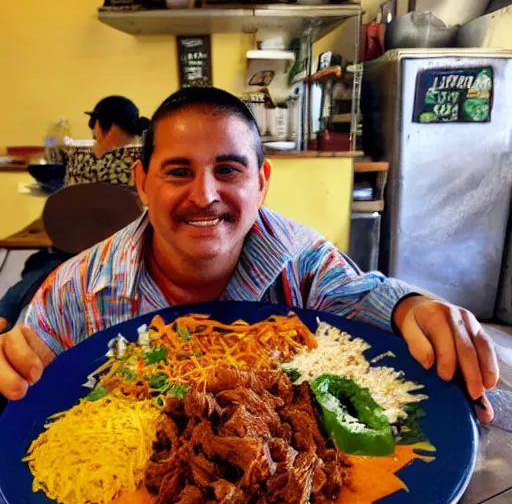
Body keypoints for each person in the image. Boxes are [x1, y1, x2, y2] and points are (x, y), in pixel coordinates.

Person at [0, 88, 498, 425]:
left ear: (261, 183)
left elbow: (368, 298)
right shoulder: (75, 291)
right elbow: (23, 385)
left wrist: (416, 308)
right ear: (142, 184)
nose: (205, 195)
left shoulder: (302, 263)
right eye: (178, 172)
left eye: (229, 170)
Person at [0, 96, 148, 331]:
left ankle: (6, 313)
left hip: (77, 250)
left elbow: (64, 207)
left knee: (42, 266)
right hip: (132, 251)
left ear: (101, 127)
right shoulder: (148, 159)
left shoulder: (80, 158)